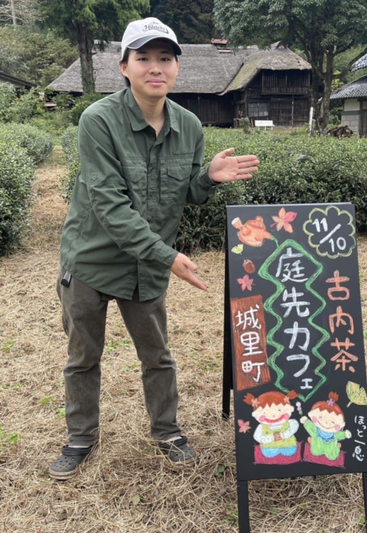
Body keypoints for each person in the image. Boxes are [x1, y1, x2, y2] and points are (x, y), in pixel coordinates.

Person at [48, 17, 259, 480]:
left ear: (178, 66)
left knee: (157, 355)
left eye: (165, 58)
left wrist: (207, 179)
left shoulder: (188, 126)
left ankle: (166, 431)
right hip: (91, 261)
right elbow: (111, 207)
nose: (155, 67)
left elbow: (184, 191)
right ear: (124, 66)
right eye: (143, 58)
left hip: (146, 269)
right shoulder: (98, 121)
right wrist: (170, 257)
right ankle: (81, 438)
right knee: (83, 356)